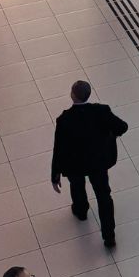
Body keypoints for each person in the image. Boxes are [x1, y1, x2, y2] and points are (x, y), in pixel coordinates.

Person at [50, 80, 128, 249]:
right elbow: (122, 127)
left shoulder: (64, 120)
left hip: (75, 165)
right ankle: (109, 237)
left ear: (72, 95)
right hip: (98, 163)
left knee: (77, 187)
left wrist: (55, 175)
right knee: (104, 196)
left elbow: (59, 149)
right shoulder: (102, 111)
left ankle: (81, 210)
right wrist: (110, 136)